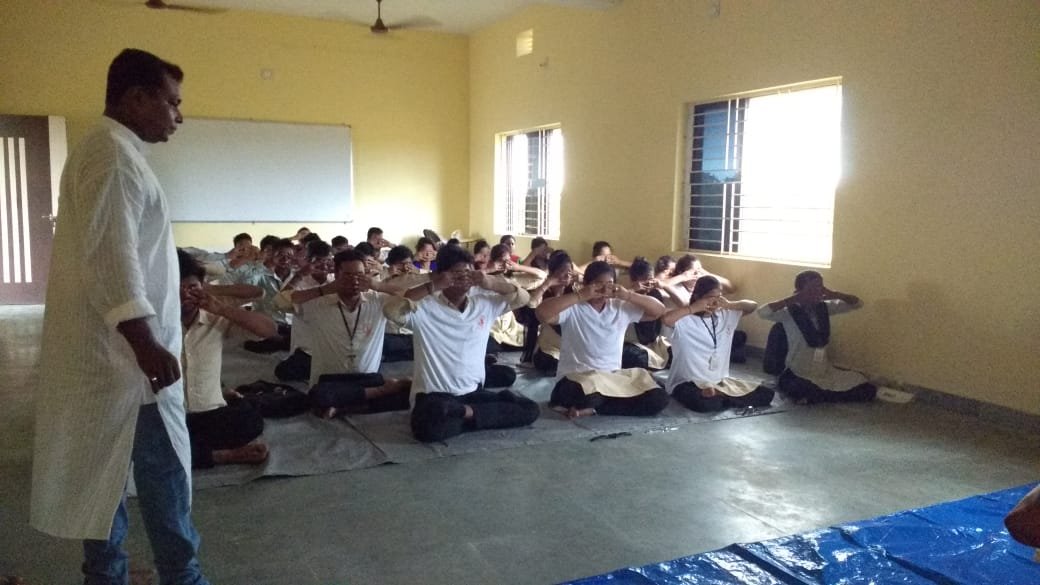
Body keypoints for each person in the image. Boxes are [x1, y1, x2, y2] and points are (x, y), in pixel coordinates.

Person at [31, 48, 211, 584]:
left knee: (105, 481)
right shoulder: (113, 156)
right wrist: (146, 342)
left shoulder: (112, 151)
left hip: (117, 362)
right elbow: (114, 257)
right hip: (129, 369)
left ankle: (108, 577)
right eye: (173, 103)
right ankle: (183, 577)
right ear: (137, 98)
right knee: (163, 478)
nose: (179, 116)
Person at [385, 245, 539, 442]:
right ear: (441, 275)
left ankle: (464, 413)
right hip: (435, 396)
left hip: (472, 394)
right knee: (426, 428)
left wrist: (489, 282)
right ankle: (477, 416)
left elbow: (523, 298)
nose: (463, 278)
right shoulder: (424, 306)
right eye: (456, 274)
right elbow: (391, 311)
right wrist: (432, 285)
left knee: (529, 409)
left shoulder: (484, 303)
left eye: (467, 272)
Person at [536, 260, 670, 418]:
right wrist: (581, 295)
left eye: (610, 284)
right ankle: (595, 405)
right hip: (576, 380)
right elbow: (541, 313)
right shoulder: (573, 308)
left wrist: (628, 294)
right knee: (585, 394)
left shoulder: (619, 307)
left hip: (610, 378)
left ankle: (594, 409)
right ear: (586, 284)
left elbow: (658, 311)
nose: (604, 289)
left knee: (659, 397)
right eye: (598, 284)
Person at [289, 250, 411, 417]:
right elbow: (280, 302)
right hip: (330, 381)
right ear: (336, 275)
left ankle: (342, 409)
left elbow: (411, 297)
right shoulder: (318, 301)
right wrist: (326, 289)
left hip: (367, 379)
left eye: (360, 275)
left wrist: (377, 285)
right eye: (347, 275)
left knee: (411, 396)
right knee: (319, 396)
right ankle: (381, 392)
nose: (354, 281)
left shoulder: (377, 299)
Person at [178, 250, 272, 468]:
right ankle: (223, 456)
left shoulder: (215, 317)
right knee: (152, 443)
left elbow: (268, 330)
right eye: (177, 289)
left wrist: (220, 307)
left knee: (250, 422)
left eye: (192, 288)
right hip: (172, 414)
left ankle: (197, 453)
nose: (185, 296)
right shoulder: (156, 325)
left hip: (209, 412)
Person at [758, 271, 877, 404]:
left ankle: (820, 397)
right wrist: (793, 299)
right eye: (811, 288)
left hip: (823, 371)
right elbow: (762, 312)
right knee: (798, 387)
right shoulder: (789, 313)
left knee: (866, 387)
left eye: (819, 287)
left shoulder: (824, 308)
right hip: (797, 372)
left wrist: (833, 294)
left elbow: (857, 303)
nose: (817, 291)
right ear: (799, 291)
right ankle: (823, 396)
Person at [663, 276, 773, 412]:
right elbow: (666, 319)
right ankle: (722, 397)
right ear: (698, 296)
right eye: (710, 297)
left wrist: (728, 305)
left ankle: (720, 395)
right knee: (705, 404)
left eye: (719, 296)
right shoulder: (685, 318)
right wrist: (693, 307)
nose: (715, 301)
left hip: (718, 382)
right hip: (688, 382)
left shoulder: (724, 315)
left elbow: (752, 306)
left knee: (767, 394)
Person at [620, 258, 687, 370]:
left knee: (679, 354)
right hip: (632, 343)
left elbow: (683, 304)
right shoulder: (625, 297)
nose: (647, 286)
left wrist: (663, 285)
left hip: (654, 344)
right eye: (644, 282)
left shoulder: (655, 293)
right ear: (634, 281)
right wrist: (632, 290)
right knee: (637, 357)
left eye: (649, 280)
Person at [525, 251, 578, 373]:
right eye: (563, 272)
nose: (567, 276)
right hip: (550, 345)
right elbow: (531, 303)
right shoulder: (545, 289)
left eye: (569, 272)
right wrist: (549, 283)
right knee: (547, 364)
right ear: (554, 272)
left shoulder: (574, 291)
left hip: (570, 342)